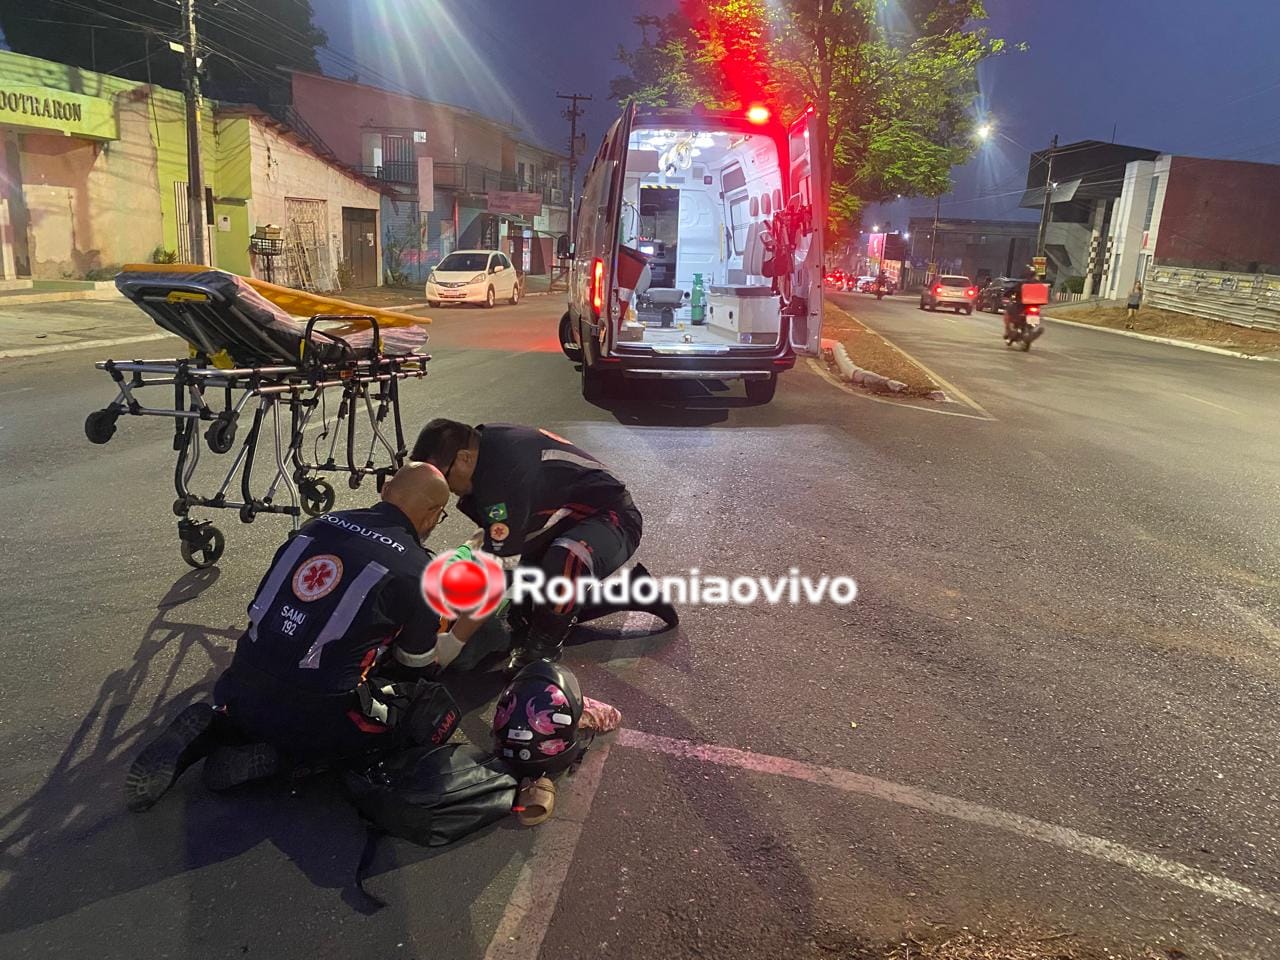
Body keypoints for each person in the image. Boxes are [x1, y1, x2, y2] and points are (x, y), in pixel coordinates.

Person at [126, 463, 457, 812]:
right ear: (433, 513)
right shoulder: (419, 571)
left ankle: (219, 726)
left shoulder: (317, 526)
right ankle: (286, 757)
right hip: (316, 711)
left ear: (386, 490)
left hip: (240, 681)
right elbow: (414, 664)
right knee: (416, 715)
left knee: (296, 666)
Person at [411, 420, 677, 672]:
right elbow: (497, 544)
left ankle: (542, 651)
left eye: (442, 476)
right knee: (528, 613)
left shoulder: (503, 475)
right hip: (562, 521)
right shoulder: (483, 451)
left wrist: (454, 642)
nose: (442, 488)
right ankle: (633, 592)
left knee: (564, 562)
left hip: (613, 519)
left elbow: (498, 571)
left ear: (464, 458)